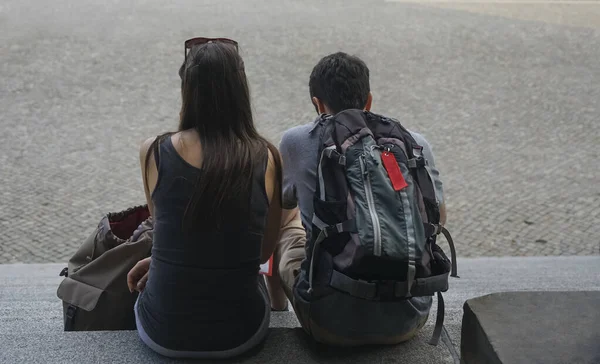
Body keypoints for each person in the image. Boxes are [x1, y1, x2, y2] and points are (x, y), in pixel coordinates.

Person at [266, 52, 447, 345]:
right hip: (410, 318)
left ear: (317, 104)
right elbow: (437, 220)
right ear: (369, 100)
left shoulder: (296, 141)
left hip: (329, 323)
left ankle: (277, 307)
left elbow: (284, 205)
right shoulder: (416, 144)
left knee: (286, 221)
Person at [126, 37, 283, 359]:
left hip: (164, 332)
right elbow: (263, 251)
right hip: (240, 332)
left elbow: (168, 228)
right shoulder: (266, 156)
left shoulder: (153, 152)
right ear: (241, 90)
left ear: (187, 89)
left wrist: (159, 263)